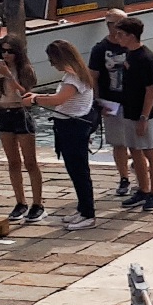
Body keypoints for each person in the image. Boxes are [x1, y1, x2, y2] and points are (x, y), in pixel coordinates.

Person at [25, 42, 98, 230]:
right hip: (68, 127)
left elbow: (58, 100)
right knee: (75, 170)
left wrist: (35, 99)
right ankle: (82, 209)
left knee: (79, 171)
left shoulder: (73, 79)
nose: (51, 64)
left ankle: (88, 214)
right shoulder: (73, 77)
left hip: (73, 128)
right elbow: (61, 97)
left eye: (52, 60)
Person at [111, 18, 153, 211]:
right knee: (134, 149)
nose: (117, 38)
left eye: (121, 34)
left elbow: (151, 90)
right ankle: (143, 189)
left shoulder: (145, 58)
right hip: (129, 108)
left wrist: (144, 117)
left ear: (131, 36)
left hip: (144, 112)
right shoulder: (129, 55)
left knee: (149, 150)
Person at [87, 12, 135, 202]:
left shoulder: (133, 46)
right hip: (112, 101)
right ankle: (124, 177)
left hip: (133, 100)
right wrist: (97, 103)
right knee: (118, 142)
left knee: (137, 141)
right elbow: (93, 78)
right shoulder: (100, 49)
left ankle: (137, 170)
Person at [0, 39, 42, 223]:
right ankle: (20, 201)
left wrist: (8, 75)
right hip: (3, 113)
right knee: (13, 161)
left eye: (10, 51)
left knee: (30, 161)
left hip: (20, 112)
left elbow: (25, 94)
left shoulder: (25, 70)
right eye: (3, 51)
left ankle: (37, 203)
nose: (6, 55)